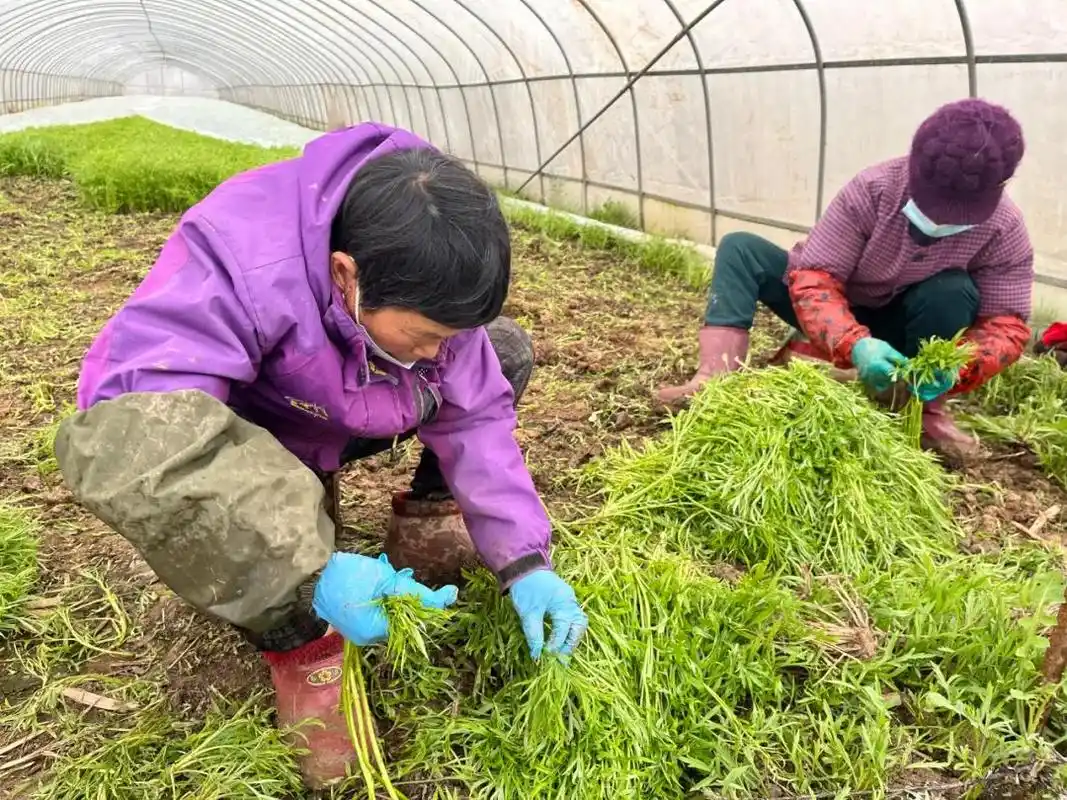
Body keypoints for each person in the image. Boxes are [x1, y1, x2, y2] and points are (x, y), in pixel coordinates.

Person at [53, 123, 588, 788]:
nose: (437, 352)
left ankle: (424, 516)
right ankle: (301, 646)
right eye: (425, 335)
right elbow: (144, 437)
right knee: (279, 544)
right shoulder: (241, 257)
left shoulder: (423, 266)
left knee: (502, 354)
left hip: (346, 403)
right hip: (257, 424)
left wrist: (524, 559)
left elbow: (475, 411)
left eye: (449, 337)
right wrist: (302, 565)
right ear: (345, 274)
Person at [657, 98, 1033, 461]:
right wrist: (854, 344)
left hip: (909, 326)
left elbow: (1006, 324)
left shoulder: (1003, 228)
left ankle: (922, 410)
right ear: (915, 164)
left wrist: (960, 366)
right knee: (740, 248)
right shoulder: (874, 189)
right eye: (933, 203)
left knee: (952, 291)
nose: (940, 221)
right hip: (842, 312)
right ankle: (715, 376)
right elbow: (815, 278)